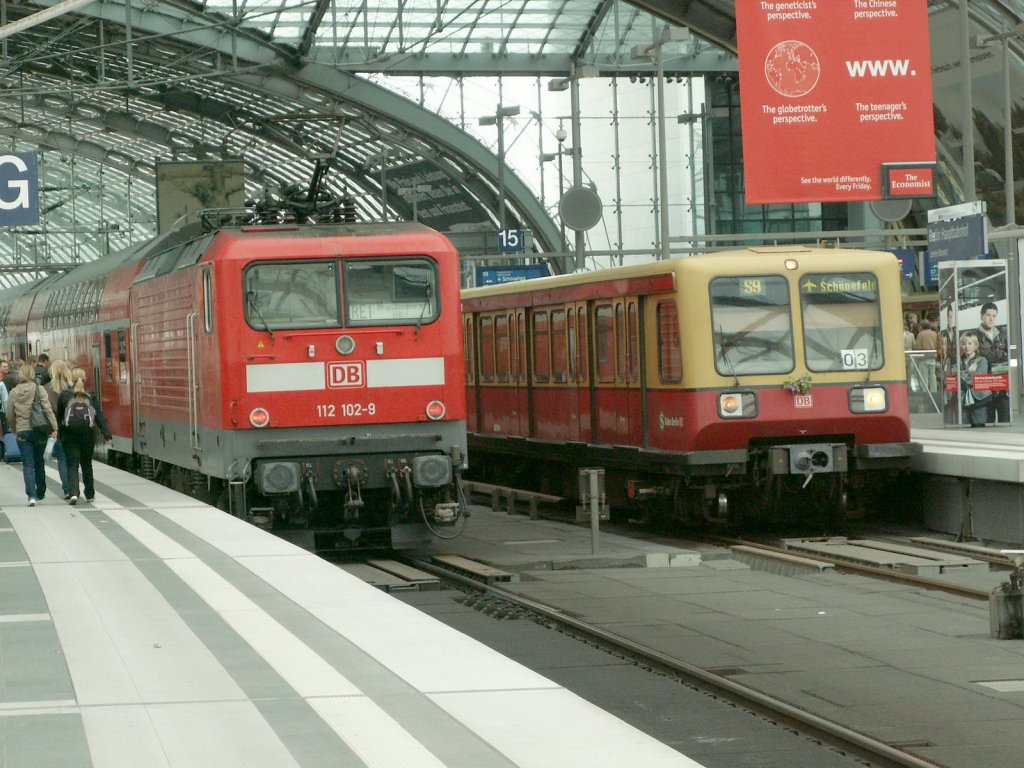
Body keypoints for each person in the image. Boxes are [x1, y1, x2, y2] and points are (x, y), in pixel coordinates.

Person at [57, 368, 111, 505]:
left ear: (72, 379)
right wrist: (106, 434)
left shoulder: (65, 395)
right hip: (87, 436)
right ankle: (90, 494)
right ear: (84, 379)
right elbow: (98, 416)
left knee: (72, 465)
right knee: (87, 464)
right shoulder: (90, 396)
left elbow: (59, 417)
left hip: (70, 437)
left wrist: (60, 432)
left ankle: (74, 493)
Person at [6, 362, 58, 505]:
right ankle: (40, 492)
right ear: (32, 374)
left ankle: (31, 496)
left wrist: (14, 430)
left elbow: (10, 415)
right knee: (39, 462)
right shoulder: (39, 389)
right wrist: (54, 427)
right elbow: (47, 409)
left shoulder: (13, 392)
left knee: (27, 465)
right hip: (39, 430)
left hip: (22, 431)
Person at [976, 302, 1010, 424]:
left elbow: (1008, 357)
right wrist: (1000, 354)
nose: (991, 318)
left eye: (994, 316)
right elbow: (980, 360)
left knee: (1005, 421)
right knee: (987, 422)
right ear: (981, 316)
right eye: (988, 315)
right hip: (984, 386)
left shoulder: (1002, 335)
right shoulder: (975, 337)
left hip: (1001, 384)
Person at [46, 360, 75, 499]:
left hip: (56, 428)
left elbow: (46, 410)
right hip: (71, 427)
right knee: (72, 460)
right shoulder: (72, 388)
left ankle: (67, 489)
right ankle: (74, 488)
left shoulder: (47, 389)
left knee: (62, 459)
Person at [959, 331, 991, 428]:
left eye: (970, 344)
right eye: (964, 344)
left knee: (979, 426)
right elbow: (953, 377)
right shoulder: (958, 361)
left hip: (979, 399)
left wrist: (963, 376)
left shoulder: (982, 361)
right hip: (963, 400)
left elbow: (977, 380)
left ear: (976, 346)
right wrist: (969, 374)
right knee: (963, 428)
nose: (966, 346)